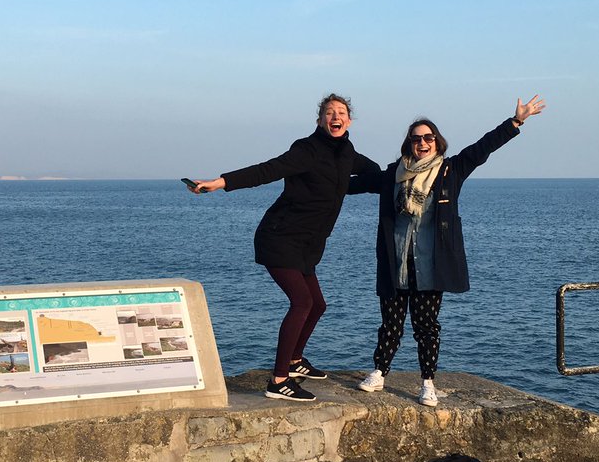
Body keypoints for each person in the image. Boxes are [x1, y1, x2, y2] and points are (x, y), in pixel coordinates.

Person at [352, 95, 546, 405]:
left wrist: (515, 121)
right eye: (416, 139)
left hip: (432, 264)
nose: (422, 143)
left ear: (437, 142)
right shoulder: (393, 174)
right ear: (409, 145)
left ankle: (427, 382)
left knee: (426, 326)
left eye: (428, 137)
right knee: (391, 322)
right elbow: (354, 184)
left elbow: (482, 148)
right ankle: (379, 373)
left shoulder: (450, 171)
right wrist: (319, 177)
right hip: (396, 261)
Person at [188, 94, 380, 402]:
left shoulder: (348, 154)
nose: (335, 116)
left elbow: (376, 177)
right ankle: (278, 381)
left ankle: (295, 361)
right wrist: (221, 182)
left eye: (341, 112)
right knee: (302, 302)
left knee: (318, 305)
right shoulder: (307, 150)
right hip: (279, 237)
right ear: (320, 120)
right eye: (329, 112)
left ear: (349, 120)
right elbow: (268, 170)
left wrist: (412, 176)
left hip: (307, 245)